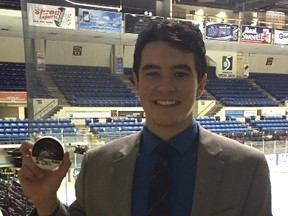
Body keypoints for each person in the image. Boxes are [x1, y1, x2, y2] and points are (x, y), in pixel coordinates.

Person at [19, 19, 272, 216]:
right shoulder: (97, 164)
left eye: (180, 74)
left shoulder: (247, 167)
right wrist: (46, 202)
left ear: (201, 84)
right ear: (137, 82)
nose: (165, 88)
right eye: (152, 73)